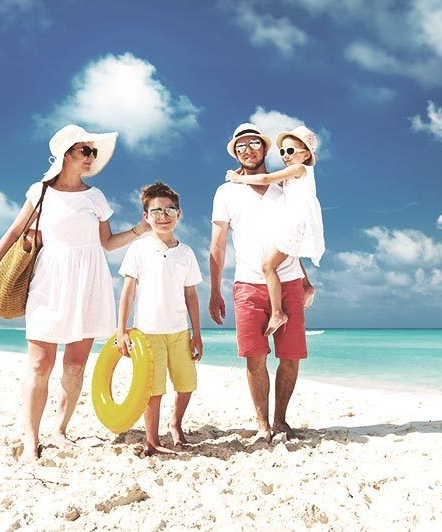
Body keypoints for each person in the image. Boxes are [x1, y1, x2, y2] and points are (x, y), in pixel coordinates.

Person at [0, 124, 150, 462]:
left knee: (75, 365)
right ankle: (31, 440)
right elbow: (15, 230)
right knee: (40, 364)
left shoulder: (95, 197)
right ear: (67, 154)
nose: (91, 157)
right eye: (85, 151)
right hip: (50, 280)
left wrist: (138, 230)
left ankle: (59, 431)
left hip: (89, 281)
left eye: (93, 152)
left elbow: (106, 243)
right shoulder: (40, 191)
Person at [209, 123, 313, 443]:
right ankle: (262, 423)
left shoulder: (287, 187)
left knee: (291, 356)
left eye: (254, 143)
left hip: (290, 280)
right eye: (240, 145)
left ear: (265, 149)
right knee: (255, 357)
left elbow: (292, 240)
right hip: (248, 285)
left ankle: (280, 420)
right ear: (235, 152)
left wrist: (307, 279)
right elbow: (218, 243)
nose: (247, 149)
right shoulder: (226, 191)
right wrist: (215, 291)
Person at [115, 182, 204, 455]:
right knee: (153, 390)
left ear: (179, 214)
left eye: (169, 210)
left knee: (187, 384)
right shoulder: (139, 249)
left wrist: (197, 333)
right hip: (148, 332)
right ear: (146, 217)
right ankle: (152, 441)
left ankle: (176, 425)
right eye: (156, 211)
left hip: (179, 331)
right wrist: (121, 331)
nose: (163, 216)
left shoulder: (186, 253)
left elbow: (191, 296)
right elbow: (128, 292)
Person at [225, 125, 324, 334]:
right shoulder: (295, 174)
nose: (285, 156)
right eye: (282, 152)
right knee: (278, 259)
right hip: (292, 224)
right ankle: (304, 286)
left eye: (290, 151)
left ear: (306, 154)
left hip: (294, 225)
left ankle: (277, 312)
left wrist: (238, 178)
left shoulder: (299, 169)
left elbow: (265, 179)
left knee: (268, 266)